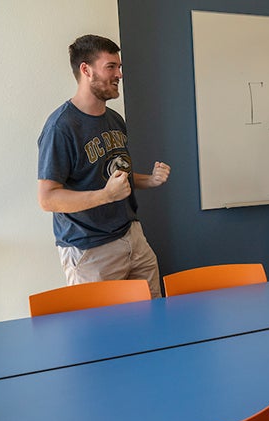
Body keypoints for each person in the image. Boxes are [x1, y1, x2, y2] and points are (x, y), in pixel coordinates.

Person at [37, 34, 170, 299]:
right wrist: (106, 196)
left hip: (132, 237)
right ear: (86, 70)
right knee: (102, 325)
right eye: (111, 66)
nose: (119, 74)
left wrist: (149, 180)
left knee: (153, 316)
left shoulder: (114, 119)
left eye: (119, 67)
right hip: (90, 251)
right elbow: (48, 199)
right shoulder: (61, 127)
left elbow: (115, 178)